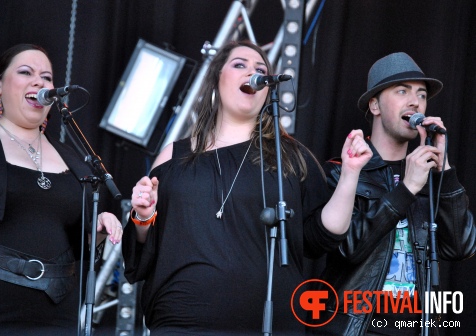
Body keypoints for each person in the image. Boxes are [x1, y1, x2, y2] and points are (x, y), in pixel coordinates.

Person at [122, 40, 372, 335]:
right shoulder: (174, 156)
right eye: (239, 65)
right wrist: (141, 216)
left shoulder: (289, 156)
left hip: (269, 324)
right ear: (216, 78)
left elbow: (322, 236)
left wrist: (350, 174)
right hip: (182, 321)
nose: (251, 72)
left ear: (267, 89)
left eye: (260, 70)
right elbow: (144, 246)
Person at [315, 52, 476, 335]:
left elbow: (461, 247)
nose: (416, 102)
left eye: (422, 94)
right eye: (402, 91)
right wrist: (407, 189)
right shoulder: (342, 172)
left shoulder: (426, 173)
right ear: (374, 105)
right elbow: (348, 249)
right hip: (357, 327)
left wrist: (444, 171)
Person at [0, 43, 123, 335]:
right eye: (26, 72)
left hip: (58, 316)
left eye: (46, 77)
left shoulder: (72, 157)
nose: (39, 82)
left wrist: (98, 231)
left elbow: (75, 242)